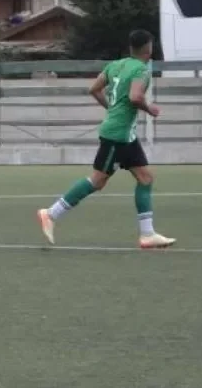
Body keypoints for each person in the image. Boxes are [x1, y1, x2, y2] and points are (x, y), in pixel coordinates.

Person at [37, 30, 175, 249]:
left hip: (124, 135)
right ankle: (51, 214)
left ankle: (148, 234)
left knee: (145, 178)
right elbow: (135, 96)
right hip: (117, 136)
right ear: (149, 48)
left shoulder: (116, 65)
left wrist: (112, 108)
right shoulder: (141, 69)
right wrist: (149, 109)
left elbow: (94, 89)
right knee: (97, 180)